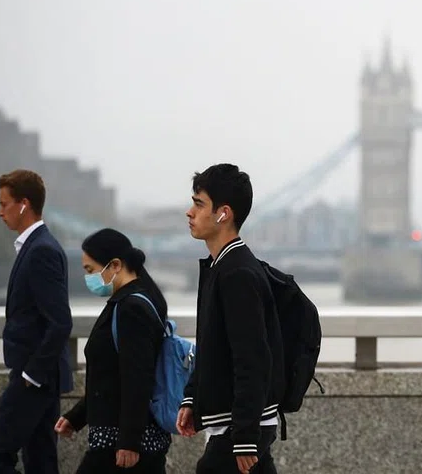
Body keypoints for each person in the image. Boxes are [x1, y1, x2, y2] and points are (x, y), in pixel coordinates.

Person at [176, 164, 285, 474]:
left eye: (198, 204)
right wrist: (193, 398)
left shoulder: (237, 273)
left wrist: (246, 437)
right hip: (241, 422)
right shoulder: (220, 267)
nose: (189, 212)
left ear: (223, 213)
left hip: (240, 426)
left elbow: (252, 358)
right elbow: (214, 347)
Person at [54, 228, 172, 473]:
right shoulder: (134, 299)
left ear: (115, 264)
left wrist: (129, 441)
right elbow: (111, 377)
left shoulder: (132, 308)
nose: (88, 277)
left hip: (120, 444)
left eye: (90, 270)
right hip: (120, 439)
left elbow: (137, 378)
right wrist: (77, 417)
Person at [0, 170, 73, 474]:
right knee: (41, 462)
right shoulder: (39, 245)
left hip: (33, 379)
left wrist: (31, 375)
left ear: (24, 204)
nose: (0, 212)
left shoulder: (41, 251)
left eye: (4, 204)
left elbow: (60, 322)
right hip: (40, 378)